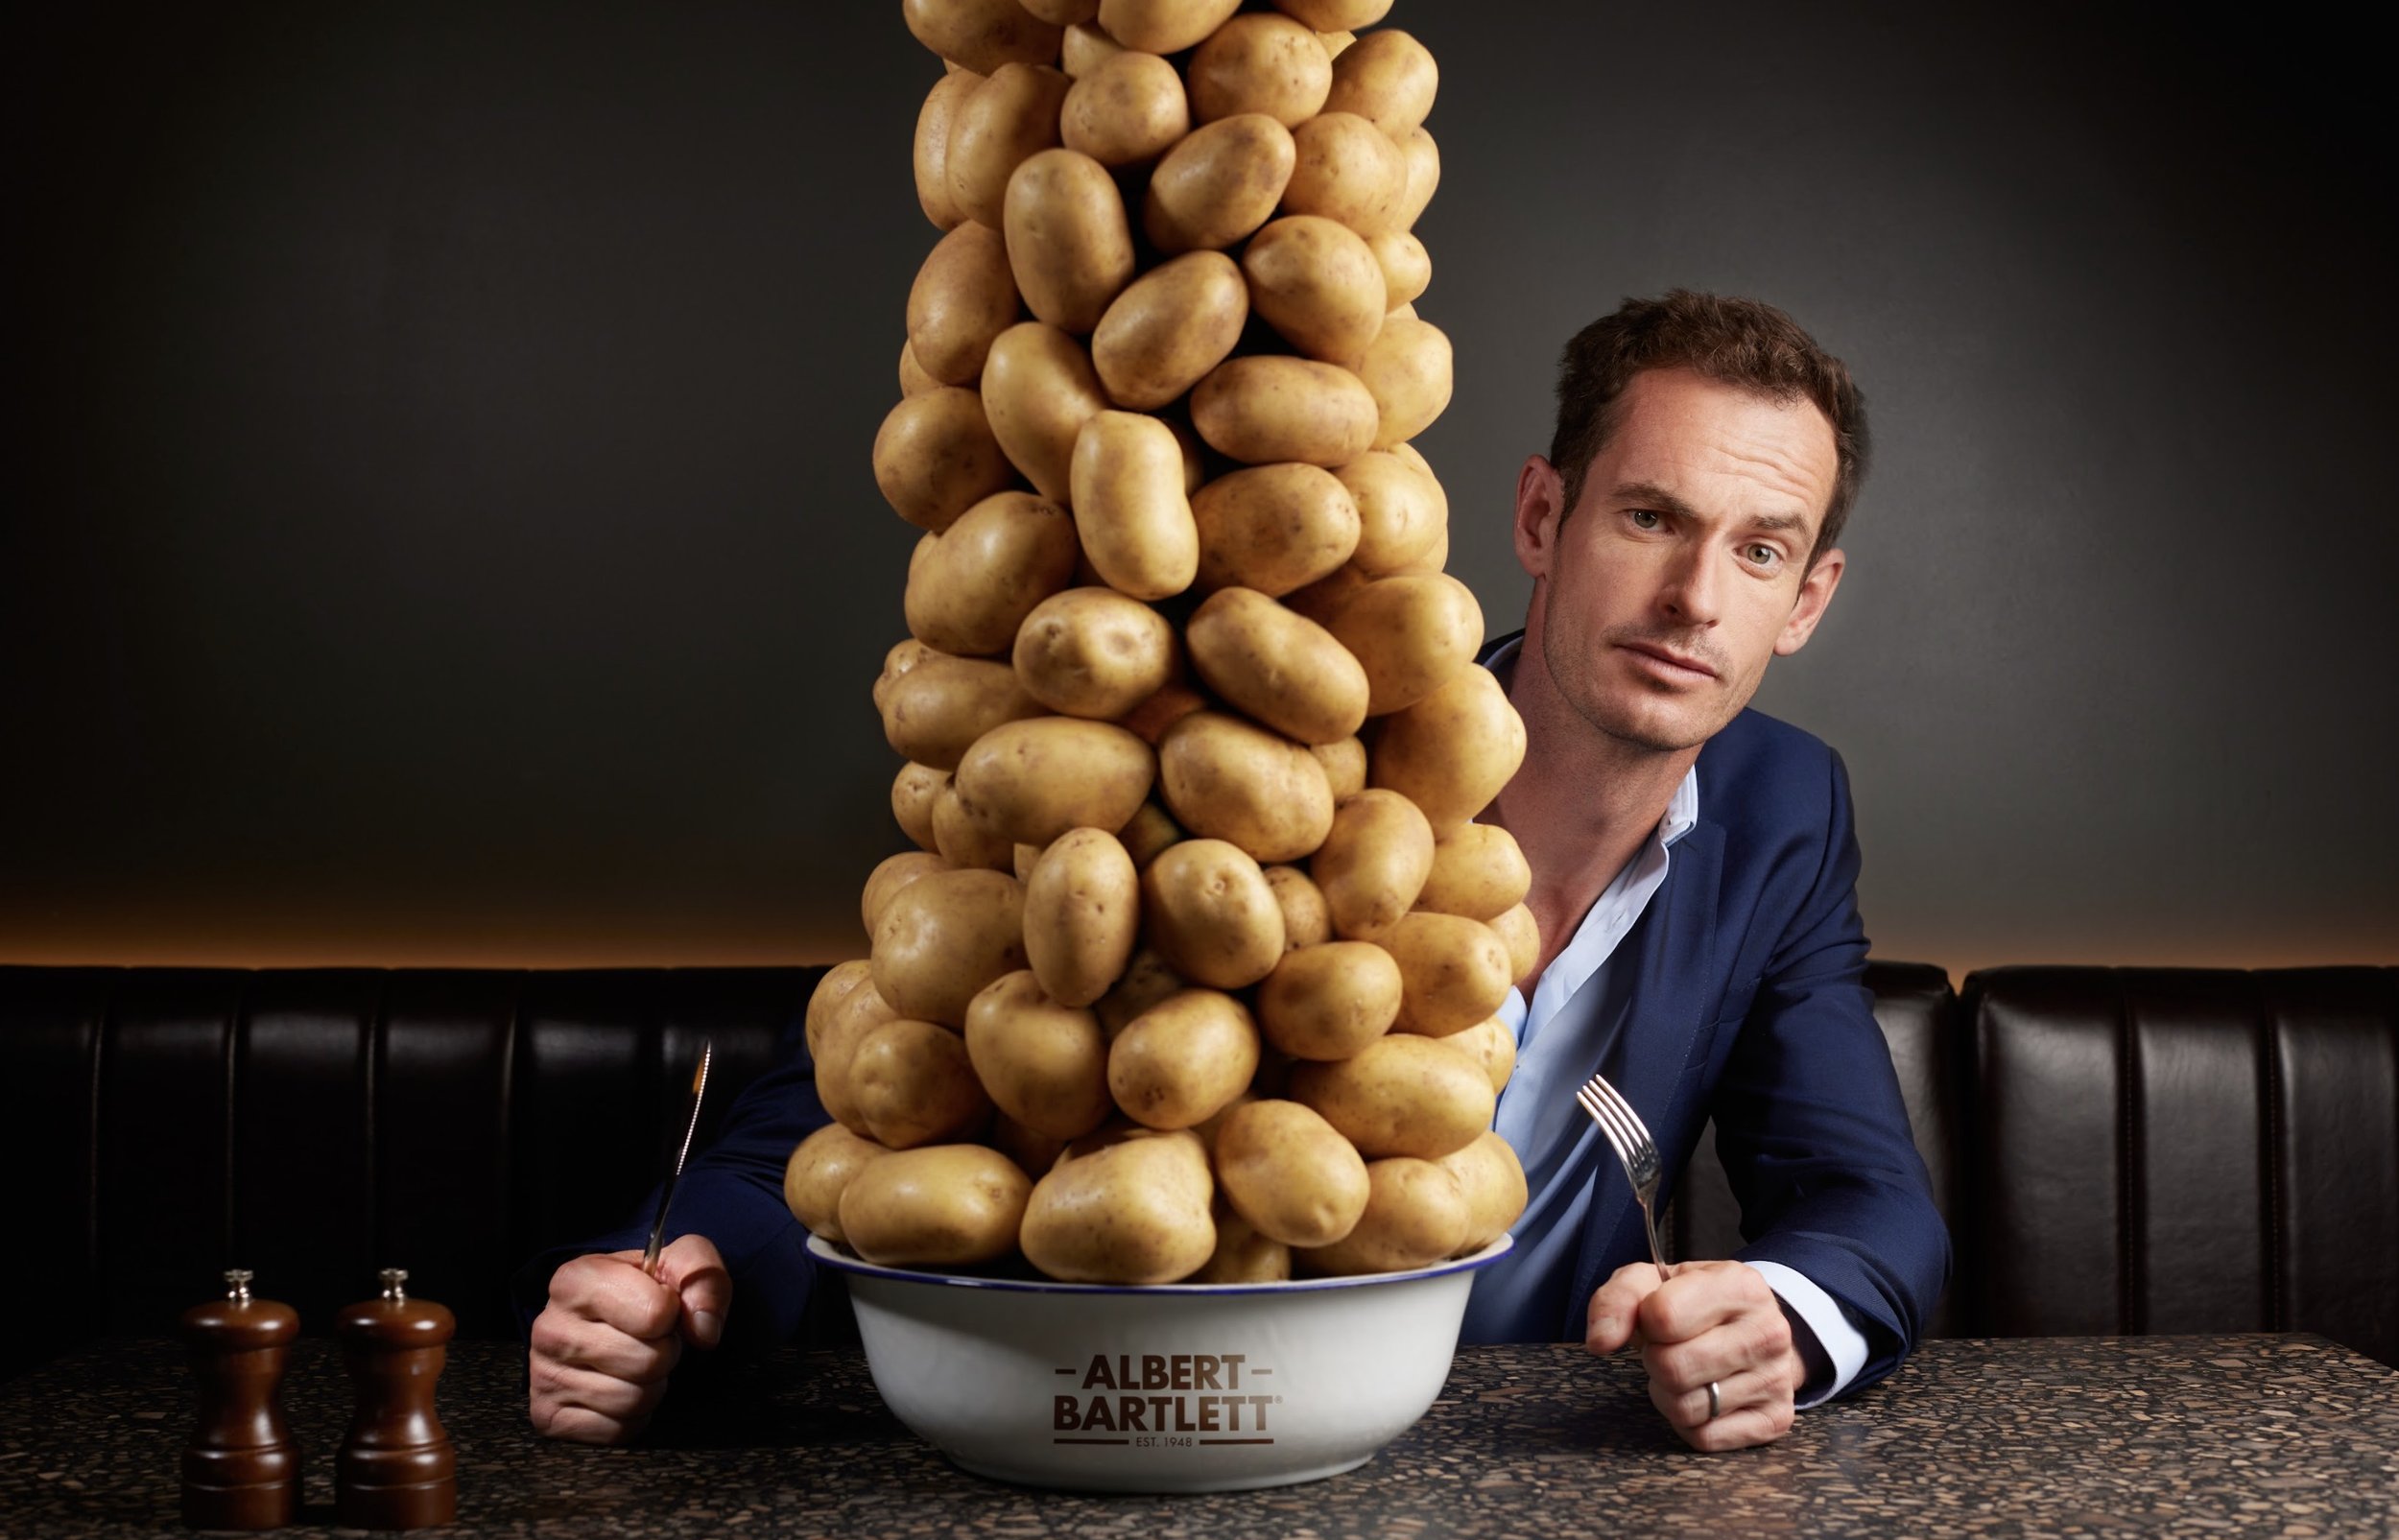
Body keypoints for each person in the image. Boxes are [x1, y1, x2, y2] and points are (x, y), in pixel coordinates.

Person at [516, 289, 1949, 1453]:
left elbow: (1865, 1198)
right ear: (1539, 520)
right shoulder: (1295, 746)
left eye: (1760, 551)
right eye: (1652, 519)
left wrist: (1780, 1314)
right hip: (1128, 1441)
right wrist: (680, 1277)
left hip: (1506, 1475)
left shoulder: (1783, 810)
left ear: (1807, 599)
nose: (1697, 598)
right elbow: (848, 1115)